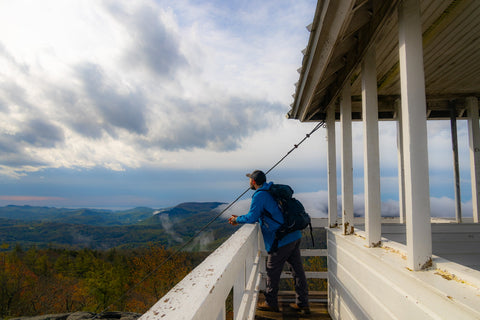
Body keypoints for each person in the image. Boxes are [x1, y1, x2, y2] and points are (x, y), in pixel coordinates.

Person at [228, 170, 310, 314]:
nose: (249, 183)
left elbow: (252, 217)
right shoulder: (272, 190)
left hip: (281, 239)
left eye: (249, 180)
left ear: (253, 182)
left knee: (272, 270)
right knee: (298, 271)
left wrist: (236, 219)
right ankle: (302, 303)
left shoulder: (260, 195)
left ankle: (270, 303)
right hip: (294, 235)